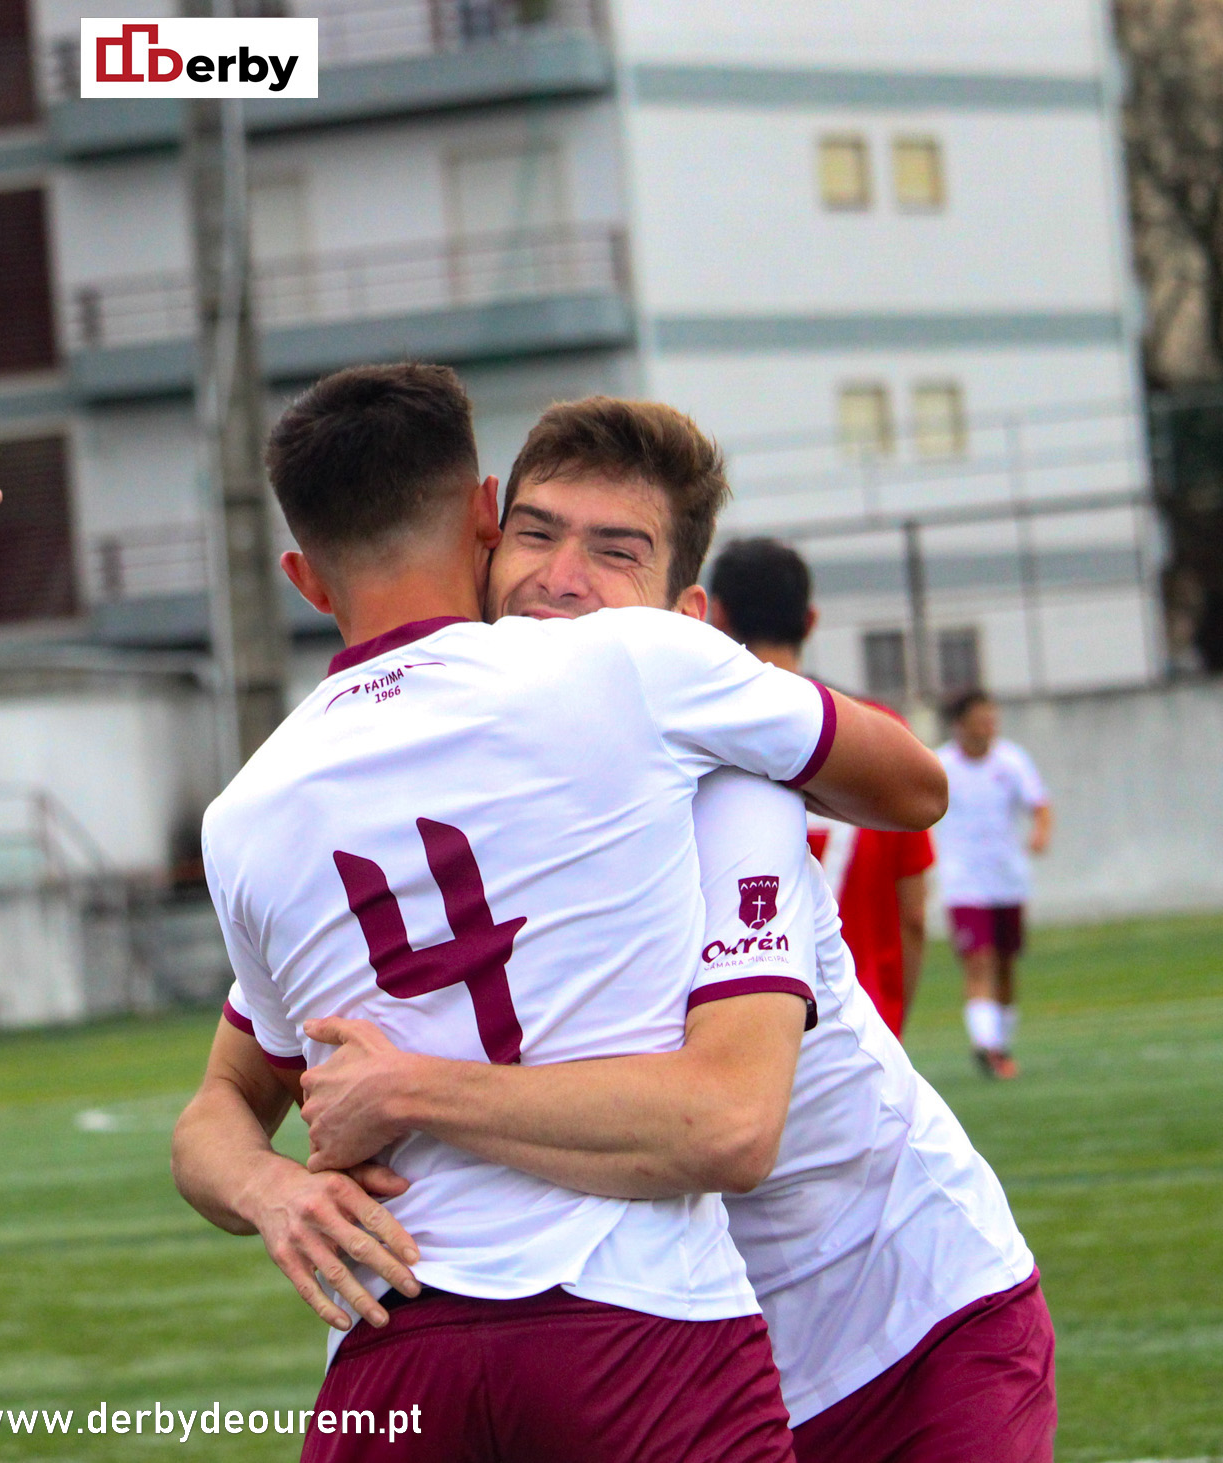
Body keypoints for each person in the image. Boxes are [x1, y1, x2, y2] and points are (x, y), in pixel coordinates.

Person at [171, 369, 946, 1462]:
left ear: (301, 578)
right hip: (632, 1312)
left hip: (393, 1346)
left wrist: (271, 1189)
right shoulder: (635, 663)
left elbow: (220, 1103)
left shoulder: (241, 815)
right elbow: (911, 786)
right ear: (483, 519)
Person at [707, 538, 936, 1037]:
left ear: (715, 615)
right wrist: (892, 1025)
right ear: (810, 621)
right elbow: (913, 915)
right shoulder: (884, 746)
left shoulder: (700, 748)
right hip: (859, 1029)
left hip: (739, 1036)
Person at [936, 691, 1053, 1079]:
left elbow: (1039, 803)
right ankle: (985, 1047)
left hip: (1007, 880)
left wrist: (1040, 832)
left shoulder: (1011, 760)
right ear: (961, 724)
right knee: (978, 961)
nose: (990, 725)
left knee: (1005, 964)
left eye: (993, 717)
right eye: (982, 718)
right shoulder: (941, 765)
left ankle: (1000, 1044)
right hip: (964, 883)